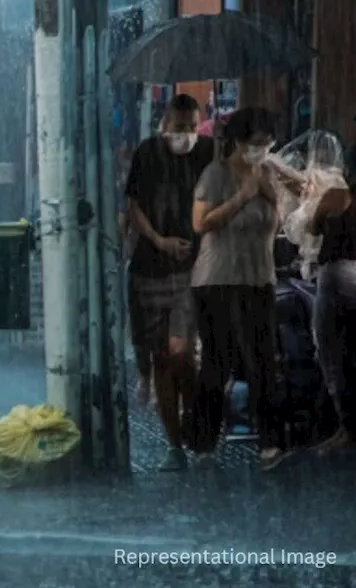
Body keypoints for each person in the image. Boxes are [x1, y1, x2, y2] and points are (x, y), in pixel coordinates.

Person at [189, 106, 288, 470]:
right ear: (239, 141)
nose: (261, 149)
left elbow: (283, 218)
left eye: (267, 143)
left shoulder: (268, 173)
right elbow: (201, 223)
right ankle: (203, 442)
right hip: (218, 279)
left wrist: (269, 190)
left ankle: (271, 444)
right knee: (218, 362)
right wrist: (242, 196)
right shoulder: (216, 174)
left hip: (259, 277)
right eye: (256, 143)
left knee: (263, 362)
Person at [124, 93, 214, 471]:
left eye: (192, 127)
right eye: (179, 128)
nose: (187, 135)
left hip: (192, 269)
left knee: (182, 351)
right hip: (151, 266)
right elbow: (133, 206)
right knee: (164, 358)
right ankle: (175, 444)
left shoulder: (209, 151)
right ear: (164, 126)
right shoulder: (147, 153)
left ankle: (198, 430)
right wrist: (159, 240)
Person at [307, 179, 356, 454]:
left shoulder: (336, 195)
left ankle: (346, 429)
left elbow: (312, 228)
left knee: (333, 355)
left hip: (336, 276)